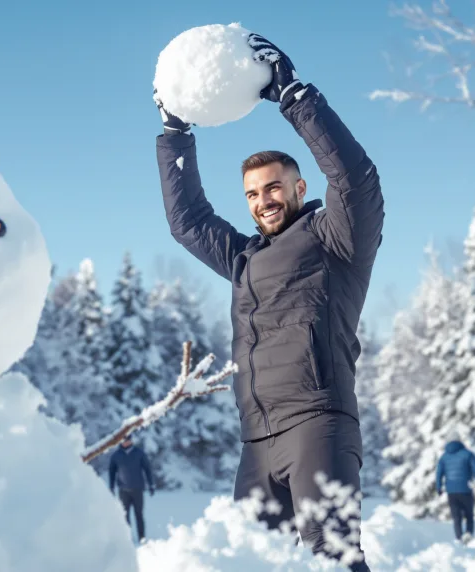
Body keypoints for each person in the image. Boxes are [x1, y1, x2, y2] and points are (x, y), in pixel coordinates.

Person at [153, 32, 383, 571]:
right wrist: (174, 132)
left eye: (274, 187)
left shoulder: (336, 240)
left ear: (300, 187)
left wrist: (295, 99)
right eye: (254, 194)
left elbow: (356, 179)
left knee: (333, 559)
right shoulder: (244, 258)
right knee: (252, 562)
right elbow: (187, 223)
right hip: (256, 439)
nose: (264, 201)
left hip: (318, 424)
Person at [435, 440, 475, 543]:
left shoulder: (444, 456)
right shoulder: (468, 454)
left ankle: (459, 537)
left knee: (456, 517)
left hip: (451, 491)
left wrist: (439, 487)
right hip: (465, 489)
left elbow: (439, 473)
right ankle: (468, 534)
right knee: (469, 515)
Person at [108, 437, 155, 542]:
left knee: (139, 514)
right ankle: (127, 538)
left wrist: (151, 484)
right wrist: (111, 486)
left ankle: (141, 537)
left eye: (128, 440)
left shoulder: (139, 453)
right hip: (123, 490)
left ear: (131, 441)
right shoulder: (116, 455)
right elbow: (111, 471)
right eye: (124, 440)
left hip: (137, 489)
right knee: (125, 516)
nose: (126, 442)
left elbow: (147, 469)